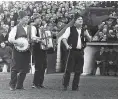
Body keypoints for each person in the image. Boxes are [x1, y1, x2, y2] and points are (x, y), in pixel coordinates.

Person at [61, 15, 92, 91]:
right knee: (68, 69)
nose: (81, 20)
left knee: (78, 70)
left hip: (80, 51)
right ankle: (65, 85)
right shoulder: (70, 29)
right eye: (79, 19)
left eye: (81, 19)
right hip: (72, 51)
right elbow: (63, 38)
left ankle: (75, 86)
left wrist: (87, 35)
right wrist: (67, 45)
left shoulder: (84, 30)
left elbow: (90, 39)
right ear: (75, 21)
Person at [8, 11, 36, 91]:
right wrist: (17, 42)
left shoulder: (31, 28)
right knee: (15, 68)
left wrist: (36, 39)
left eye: (28, 18)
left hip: (27, 50)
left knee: (25, 68)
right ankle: (12, 85)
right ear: (20, 19)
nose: (27, 19)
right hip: (17, 50)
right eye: (25, 18)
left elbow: (32, 37)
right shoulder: (16, 28)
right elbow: (10, 39)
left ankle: (19, 85)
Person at [31, 14, 47, 89]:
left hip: (43, 48)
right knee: (38, 66)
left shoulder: (41, 28)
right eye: (38, 18)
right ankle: (35, 83)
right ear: (34, 19)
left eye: (40, 18)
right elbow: (33, 37)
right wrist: (41, 40)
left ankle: (40, 83)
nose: (40, 19)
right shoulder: (33, 27)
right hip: (37, 48)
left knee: (43, 66)